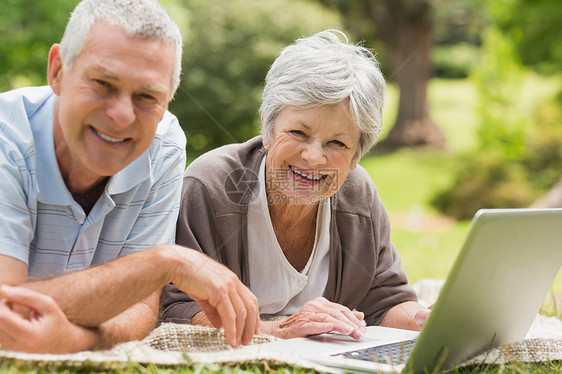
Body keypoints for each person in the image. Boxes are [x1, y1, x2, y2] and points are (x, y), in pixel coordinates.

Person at [0, 0, 258, 353]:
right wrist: (164, 262)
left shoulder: (163, 146)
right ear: (58, 70)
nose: (122, 116)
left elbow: (142, 308)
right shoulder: (6, 138)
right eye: (103, 83)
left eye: (146, 96)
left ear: (168, 99)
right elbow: (5, 313)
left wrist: (76, 341)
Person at [161, 30, 431, 339]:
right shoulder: (210, 187)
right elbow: (179, 309)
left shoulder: (359, 195)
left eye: (337, 143)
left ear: (357, 154)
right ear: (268, 128)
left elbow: (386, 301)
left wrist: (424, 319)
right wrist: (278, 329)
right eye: (298, 133)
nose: (314, 157)